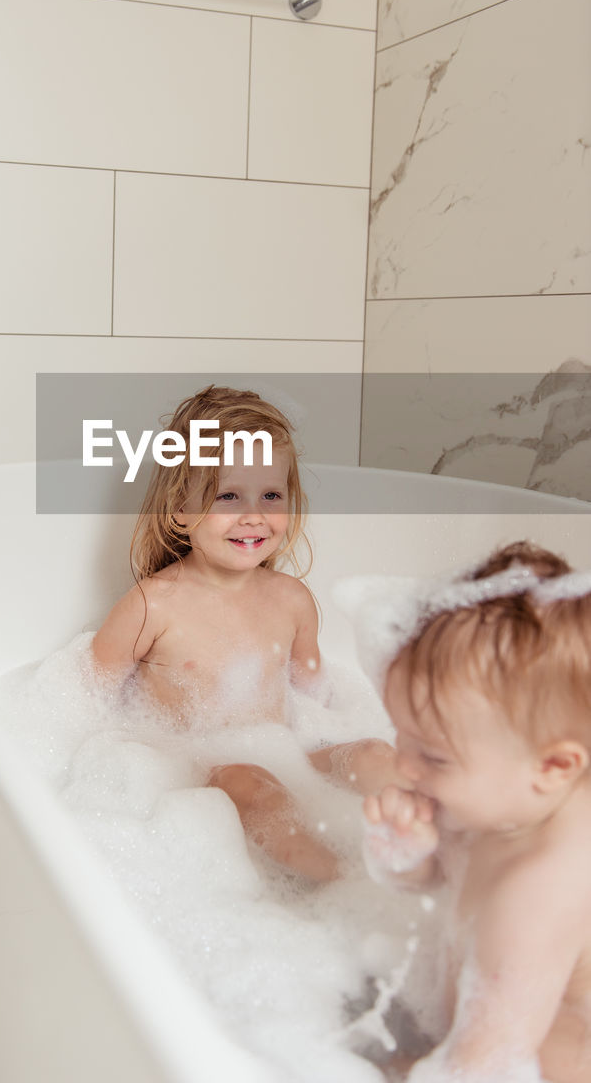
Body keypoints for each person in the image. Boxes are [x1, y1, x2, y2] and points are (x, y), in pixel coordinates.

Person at [91, 384, 397, 882]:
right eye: (228, 495)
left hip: (289, 747)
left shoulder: (292, 600)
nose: (253, 514)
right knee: (252, 784)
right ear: (180, 509)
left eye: (271, 495)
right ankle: (338, 887)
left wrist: (340, 740)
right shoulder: (153, 605)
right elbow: (89, 698)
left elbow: (313, 696)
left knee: (374, 755)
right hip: (199, 768)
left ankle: (441, 855)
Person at [359, 541, 591, 1082]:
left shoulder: (539, 891)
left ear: (554, 766)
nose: (405, 766)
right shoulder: (502, 796)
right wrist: (409, 856)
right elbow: (442, 877)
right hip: (467, 1032)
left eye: (433, 755)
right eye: (402, 739)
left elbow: (484, 1064)